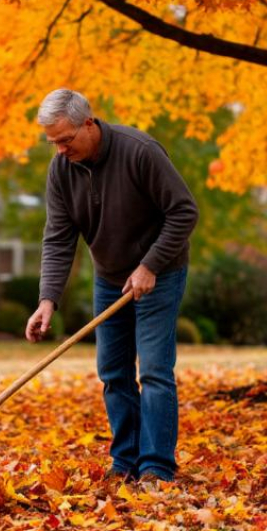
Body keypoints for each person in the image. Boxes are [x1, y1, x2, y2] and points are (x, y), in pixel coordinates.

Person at [25, 89, 199, 485]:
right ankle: (125, 461)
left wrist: (150, 265)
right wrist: (47, 299)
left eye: (66, 140)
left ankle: (156, 466)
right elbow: (58, 236)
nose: (60, 150)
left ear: (89, 123)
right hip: (109, 278)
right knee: (113, 372)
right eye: (52, 143)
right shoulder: (61, 169)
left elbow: (184, 211)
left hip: (160, 273)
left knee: (153, 370)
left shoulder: (140, 151)